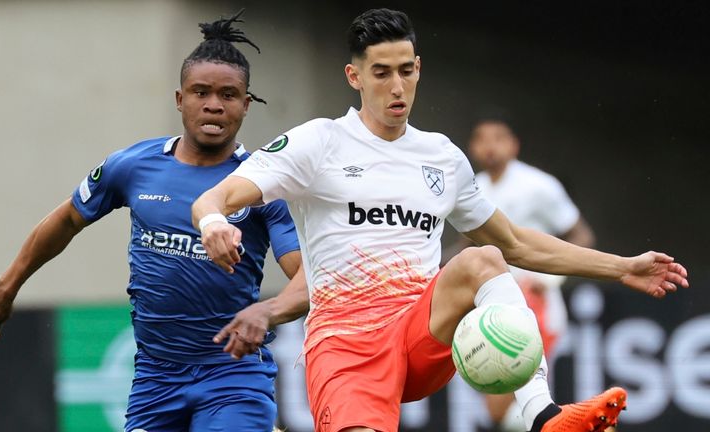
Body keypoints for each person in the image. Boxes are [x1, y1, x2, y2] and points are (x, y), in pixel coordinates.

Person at [190, 8, 689, 432]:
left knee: (483, 258)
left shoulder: (442, 157)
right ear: (354, 76)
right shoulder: (318, 143)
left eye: (406, 70)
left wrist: (621, 267)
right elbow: (217, 196)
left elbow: (515, 244)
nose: (397, 85)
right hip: (346, 345)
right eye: (381, 72)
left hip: (420, 333)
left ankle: (543, 415)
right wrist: (214, 222)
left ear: (419, 68)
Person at [0, 10, 309, 432]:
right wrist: (7, 286)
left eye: (228, 95)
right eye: (200, 91)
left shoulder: (262, 184)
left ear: (245, 104)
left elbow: (307, 279)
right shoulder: (132, 166)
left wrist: (267, 312)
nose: (213, 105)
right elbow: (65, 221)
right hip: (156, 375)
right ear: (179, 99)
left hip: (233, 371)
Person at [467, 119, 596, 431]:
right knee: (500, 405)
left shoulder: (539, 185)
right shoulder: (473, 187)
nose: (490, 146)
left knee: (506, 399)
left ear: (514, 144)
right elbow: (467, 244)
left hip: (534, 302)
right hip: (491, 304)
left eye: (498, 138)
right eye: (482, 139)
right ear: (472, 147)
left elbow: (582, 236)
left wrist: (548, 280)